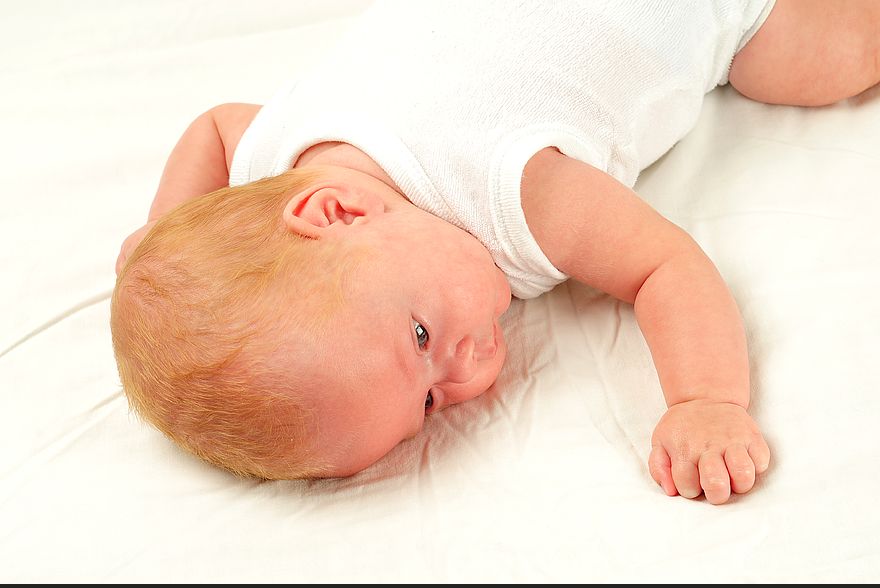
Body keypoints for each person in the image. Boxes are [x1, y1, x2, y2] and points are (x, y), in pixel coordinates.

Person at [111, 0, 880, 503]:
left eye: (420, 337)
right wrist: (162, 232)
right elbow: (213, 125)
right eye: (429, 401)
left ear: (336, 211)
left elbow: (664, 266)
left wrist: (705, 401)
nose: (471, 365)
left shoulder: (511, 189)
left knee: (817, 60)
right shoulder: (276, 162)